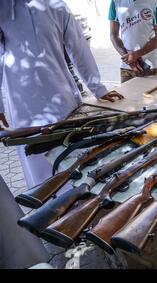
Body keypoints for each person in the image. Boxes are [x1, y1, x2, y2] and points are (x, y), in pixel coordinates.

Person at [0, 0, 119, 188]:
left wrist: (98, 88)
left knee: (72, 157)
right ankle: (46, 210)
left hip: (63, 102)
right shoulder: (4, 9)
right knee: (37, 163)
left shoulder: (56, 5)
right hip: (24, 109)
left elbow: (78, 47)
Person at [109, 0, 157, 83]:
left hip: (150, 66)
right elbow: (113, 35)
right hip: (127, 67)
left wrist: (136, 54)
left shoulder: (156, 3)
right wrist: (128, 58)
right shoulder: (116, 2)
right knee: (126, 95)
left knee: (150, 95)